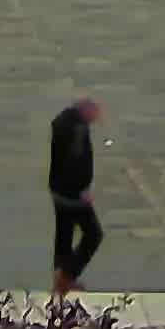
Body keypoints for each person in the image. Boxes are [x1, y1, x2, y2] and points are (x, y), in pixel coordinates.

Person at [48, 96, 103, 296]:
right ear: (86, 110)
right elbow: (75, 162)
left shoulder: (63, 121)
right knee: (94, 235)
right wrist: (83, 190)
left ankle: (60, 280)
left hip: (58, 189)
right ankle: (67, 276)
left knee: (64, 235)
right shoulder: (78, 129)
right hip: (72, 193)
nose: (98, 117)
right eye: (96, 112)